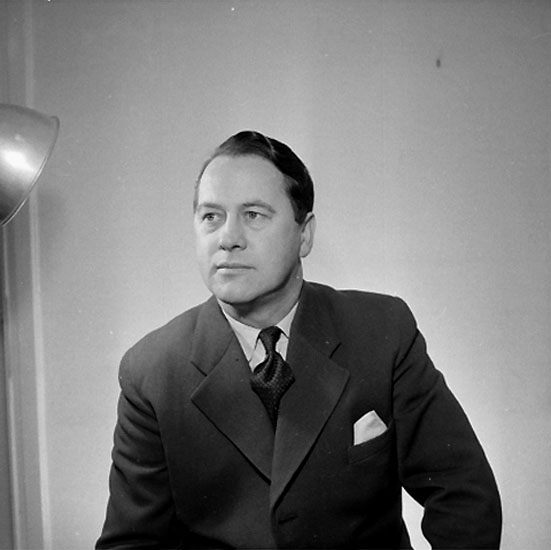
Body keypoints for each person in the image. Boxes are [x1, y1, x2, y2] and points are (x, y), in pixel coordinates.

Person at [97, 130, 502, 549]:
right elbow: (130, 544)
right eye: (211, 216)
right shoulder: (153, 371)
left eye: (253, 214)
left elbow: (464, 496)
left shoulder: (382, 331)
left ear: (304, 234)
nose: (228, 238)